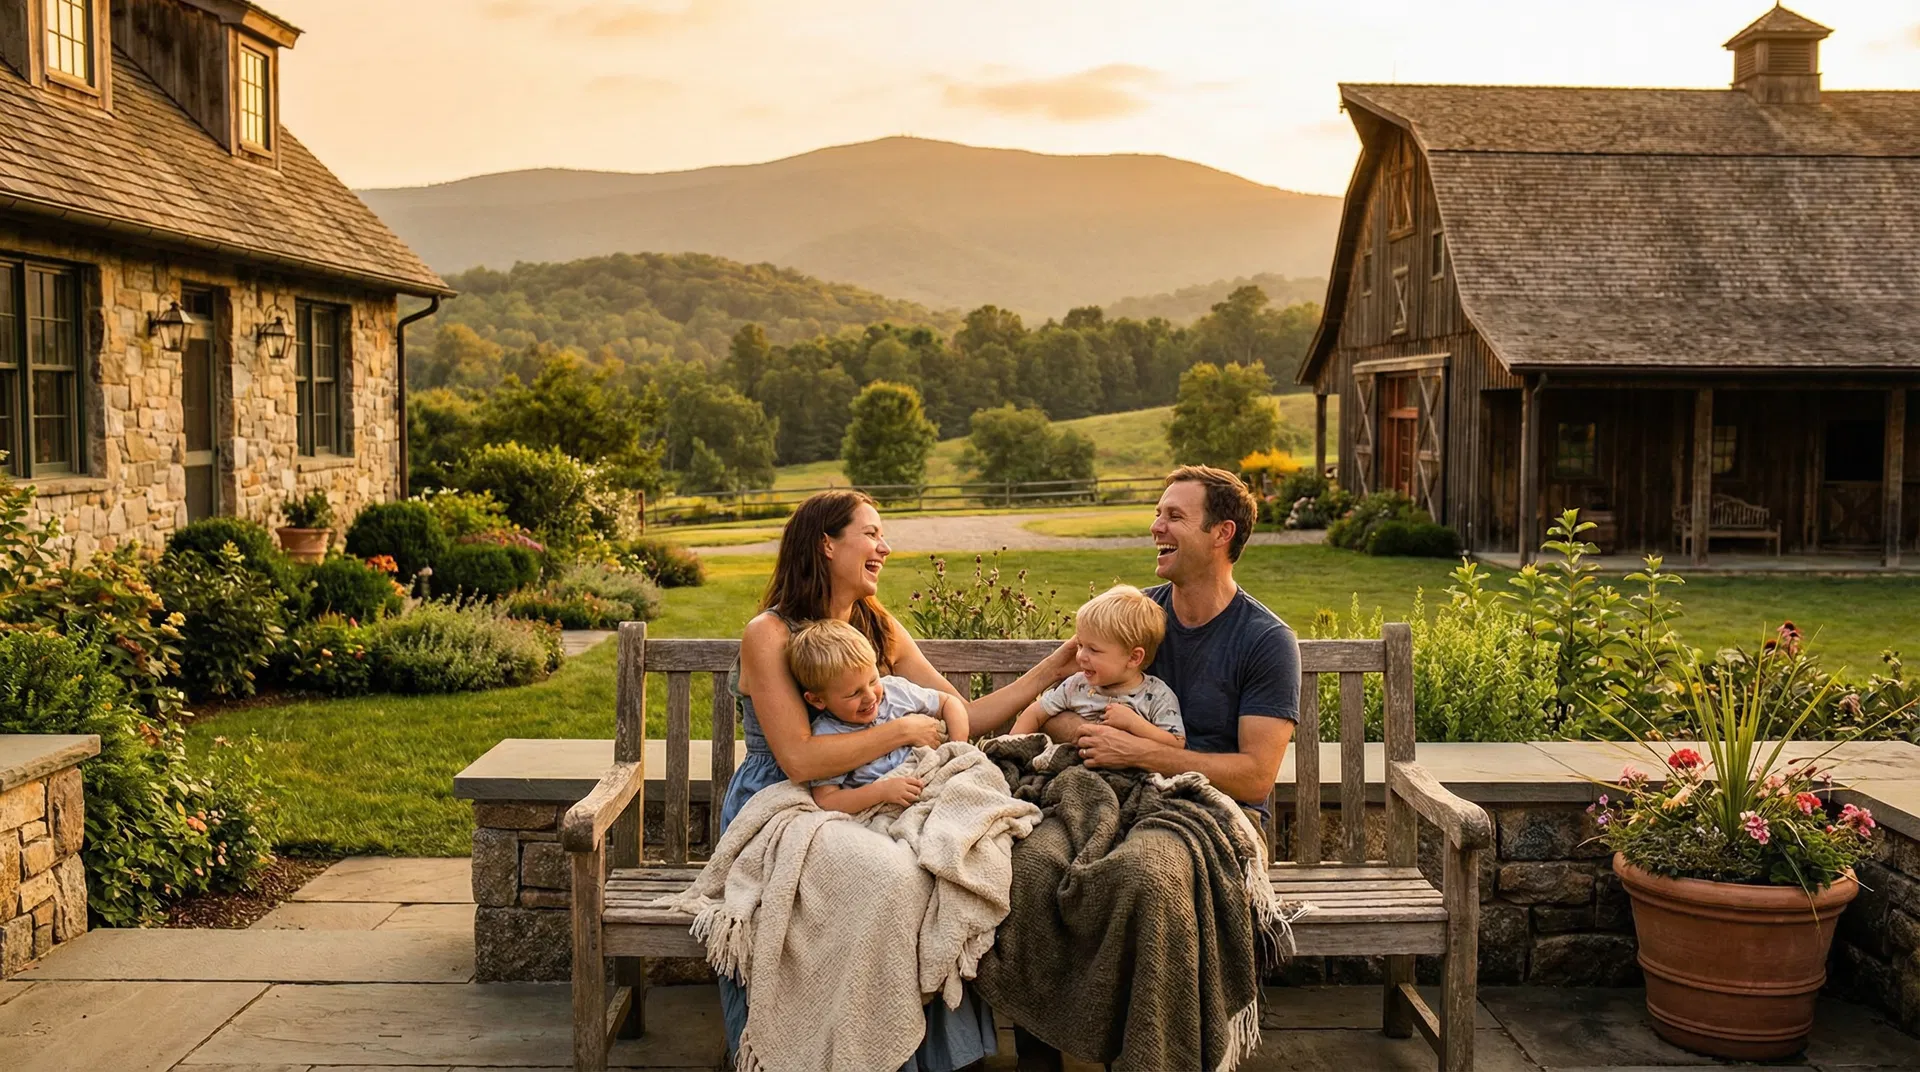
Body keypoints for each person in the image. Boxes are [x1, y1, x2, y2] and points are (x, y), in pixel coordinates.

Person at [721, 489, 1080, 1070]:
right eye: (871, 533)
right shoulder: (771, 633)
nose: (884, 547)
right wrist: (901, 733)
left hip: (874, 797)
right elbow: (802, 761)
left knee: (938, 864)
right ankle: (839, 1048)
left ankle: (928, 1056)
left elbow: (961, 709)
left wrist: (1056, 667)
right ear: (826, 544)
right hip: (793, 802)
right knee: (891, 876)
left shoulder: (875, 624)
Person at [985, 465, 1302, 1070]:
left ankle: (1149, 1057)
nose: (1155, 526)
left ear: (1221, 533)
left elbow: (1255, 776)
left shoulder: (1264, 641)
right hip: (1101, 792)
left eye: (1174, 516)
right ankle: (1038, 1056)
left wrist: (1144, 753)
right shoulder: (1131, 615)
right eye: (1157, 512)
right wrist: (1088, 732)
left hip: (1204, 810)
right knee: (1028, 866)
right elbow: (1059, 703)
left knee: (1146, 879)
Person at [788, 618, 969, 814]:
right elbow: (827, 800)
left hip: (935, 780)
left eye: (873, 680)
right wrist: (881, 792)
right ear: (817, 700)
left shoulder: (895, 692)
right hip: (885, 808)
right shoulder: (827, 736)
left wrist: (956, 750)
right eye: (853, 693)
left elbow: (949, 703)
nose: (869, 697)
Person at [1007, 584, 1184, 750]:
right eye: (1080, 645)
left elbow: (1176, 744)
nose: (1081, 656)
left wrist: (1134, 724)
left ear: (1133, 657)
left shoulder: (1156, 695)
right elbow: (1035, 713)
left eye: (1093, 649)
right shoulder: (1076, 685)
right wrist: (1011, 749)